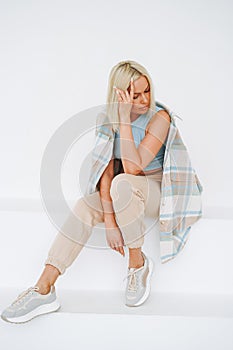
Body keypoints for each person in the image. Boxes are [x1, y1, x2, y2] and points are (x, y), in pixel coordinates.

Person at [1, 60, 179, 323]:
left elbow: (133, 167)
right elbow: (106, 172)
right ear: (120, 94)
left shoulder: (160, 117)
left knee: (124, 182)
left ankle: (137, 263)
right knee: (87, 204)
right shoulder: (106, 120)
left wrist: (125, 120)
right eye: (135, 94)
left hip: (156, 189)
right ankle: (44, 288)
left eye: (147, 91)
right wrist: (109, 220)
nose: (143, 100)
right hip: (124, 191)